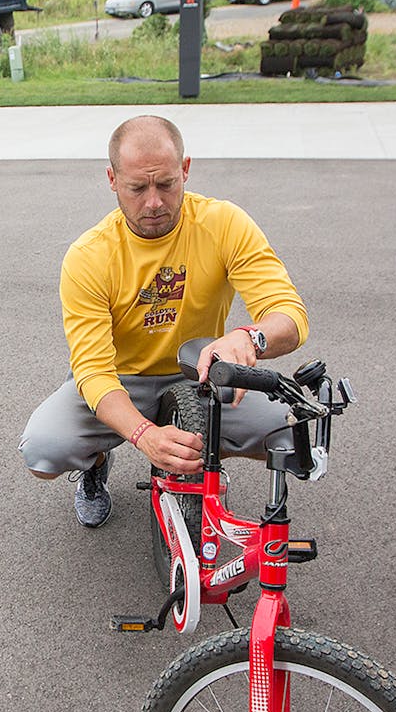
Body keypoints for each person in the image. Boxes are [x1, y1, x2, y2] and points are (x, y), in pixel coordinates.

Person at [19, 115, 309, 527]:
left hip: (202, 371)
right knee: (43, 450)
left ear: (185, 169)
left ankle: (197, 449)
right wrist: (143, 435)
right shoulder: (89, 256)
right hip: (124, 380)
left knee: (290, 434)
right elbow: (93, 371)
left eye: (167, 184)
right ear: (112, 179)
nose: (153, 202)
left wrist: (250, 336)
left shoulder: (224, 223)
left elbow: (290, 315)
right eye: (138, 188)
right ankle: (97, 461)